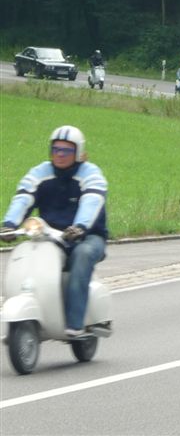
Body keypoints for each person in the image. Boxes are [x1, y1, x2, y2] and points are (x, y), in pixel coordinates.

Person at [0, 126, 108, 338]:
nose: (59, 154)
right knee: (27, 253)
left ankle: (75, 323)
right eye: (56, 149)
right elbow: (24, 196)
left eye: (66, 150)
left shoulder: (90, 174)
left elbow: (92, 200)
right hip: (50, 236)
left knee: (82, 254)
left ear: (78, 152)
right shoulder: (41, 172)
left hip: (87, 236)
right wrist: (10, 224)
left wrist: (80, 227)